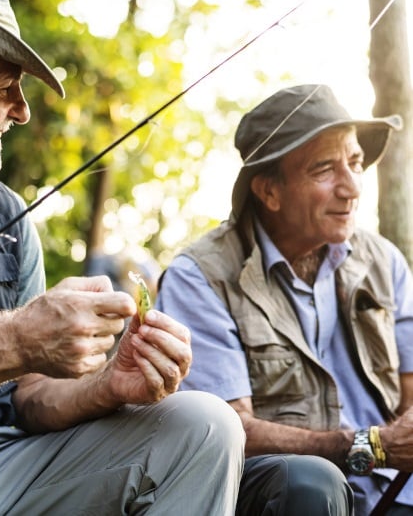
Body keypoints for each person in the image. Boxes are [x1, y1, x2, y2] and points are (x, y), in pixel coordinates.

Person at [0, 0, 246, 514]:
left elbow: (30, 396)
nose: (22, 111)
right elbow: (15, 348)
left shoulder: (5, 216)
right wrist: (14, 339)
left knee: (204, 426)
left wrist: (107, 385)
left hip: (3, 468)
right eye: (4, 86)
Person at [156, 83, 413, 515]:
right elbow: (231, 433)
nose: (351, 187)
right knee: (310, 482)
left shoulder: (383, 260)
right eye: (325, 169)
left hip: (396, 493)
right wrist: (371, 446)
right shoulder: (201, 277)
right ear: (268, 192)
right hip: (291, 496)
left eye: (355, 162)